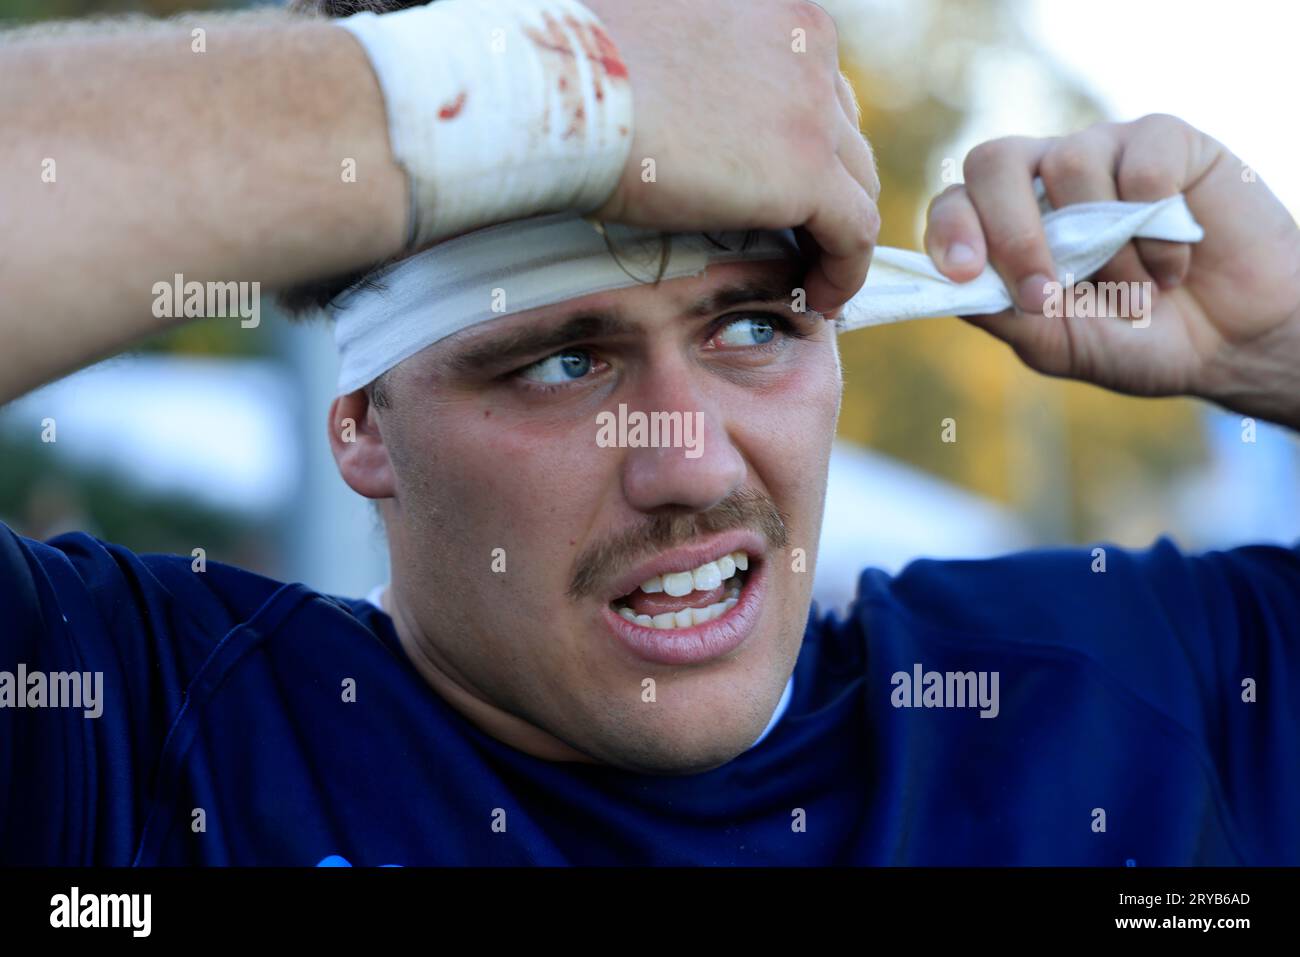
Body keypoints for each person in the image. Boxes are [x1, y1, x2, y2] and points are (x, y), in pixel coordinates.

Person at [1, 0, 1297, 866]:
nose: (692, 461)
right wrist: (551, 98)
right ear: (363, 429)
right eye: (564, 361)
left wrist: (1278, 345)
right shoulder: (136, 735)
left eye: (752, 331)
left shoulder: (1114, 702)